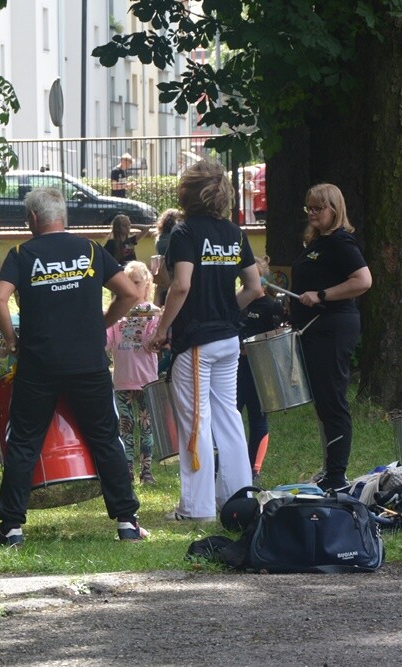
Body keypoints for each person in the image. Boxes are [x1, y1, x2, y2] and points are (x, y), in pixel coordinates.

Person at [0, 186, 148, 547]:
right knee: (105, 437)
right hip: (87, 362)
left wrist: (12, 340)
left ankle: (11, 529)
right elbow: (131, 293)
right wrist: (103, 323)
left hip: (38, 364)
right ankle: (127, 522)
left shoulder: (21, 254)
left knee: (24, 442)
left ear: (32, 219)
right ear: (64, 216)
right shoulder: (89, 249)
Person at [145, 161, 263, 522]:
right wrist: (228, 310)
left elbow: (180, 285)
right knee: (228, 417)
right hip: (229, 339)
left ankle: (196, 508)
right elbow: (255, 287)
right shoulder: (234, 232)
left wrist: (163, 328)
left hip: (196, 342)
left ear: (186, 193)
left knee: (195, 421)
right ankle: (239, 499)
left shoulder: (184, 233)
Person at [290, 183, 372, 492]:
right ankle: (330, 470)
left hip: (334, 328)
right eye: (308, 207)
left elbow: (363, 280)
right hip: (316, 330)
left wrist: (322, 294)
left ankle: (337, 476)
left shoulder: (341, 242)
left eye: (318, 208)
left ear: (334, 210)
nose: (311, 213)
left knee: (333, 401)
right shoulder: (318, 243)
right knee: (324, 402)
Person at [106, 261, 161, 485]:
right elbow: (107, 343)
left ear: (146, 284)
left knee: (146, 426)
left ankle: (146, 470)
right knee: (125, 427)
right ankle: (127, 469)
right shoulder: (116, 314)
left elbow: (151, 344)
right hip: (122, 380)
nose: (131, 287)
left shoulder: (152, 313)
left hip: (146, 380)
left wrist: (155, 330)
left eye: (136, 282)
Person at [236, 255, 285, 483]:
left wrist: (254, 346)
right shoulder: (237, 303)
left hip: (260, 370)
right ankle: (228, 464)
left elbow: (278, 338)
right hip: (235, 368)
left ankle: (253, 468)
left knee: (258, 416)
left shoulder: (272, 306)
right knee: (232, 415)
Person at [152, 208, 181, 307]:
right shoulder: (175, 237)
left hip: (162, 270)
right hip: (172, 270)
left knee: (159, 295)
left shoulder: (159, 237)